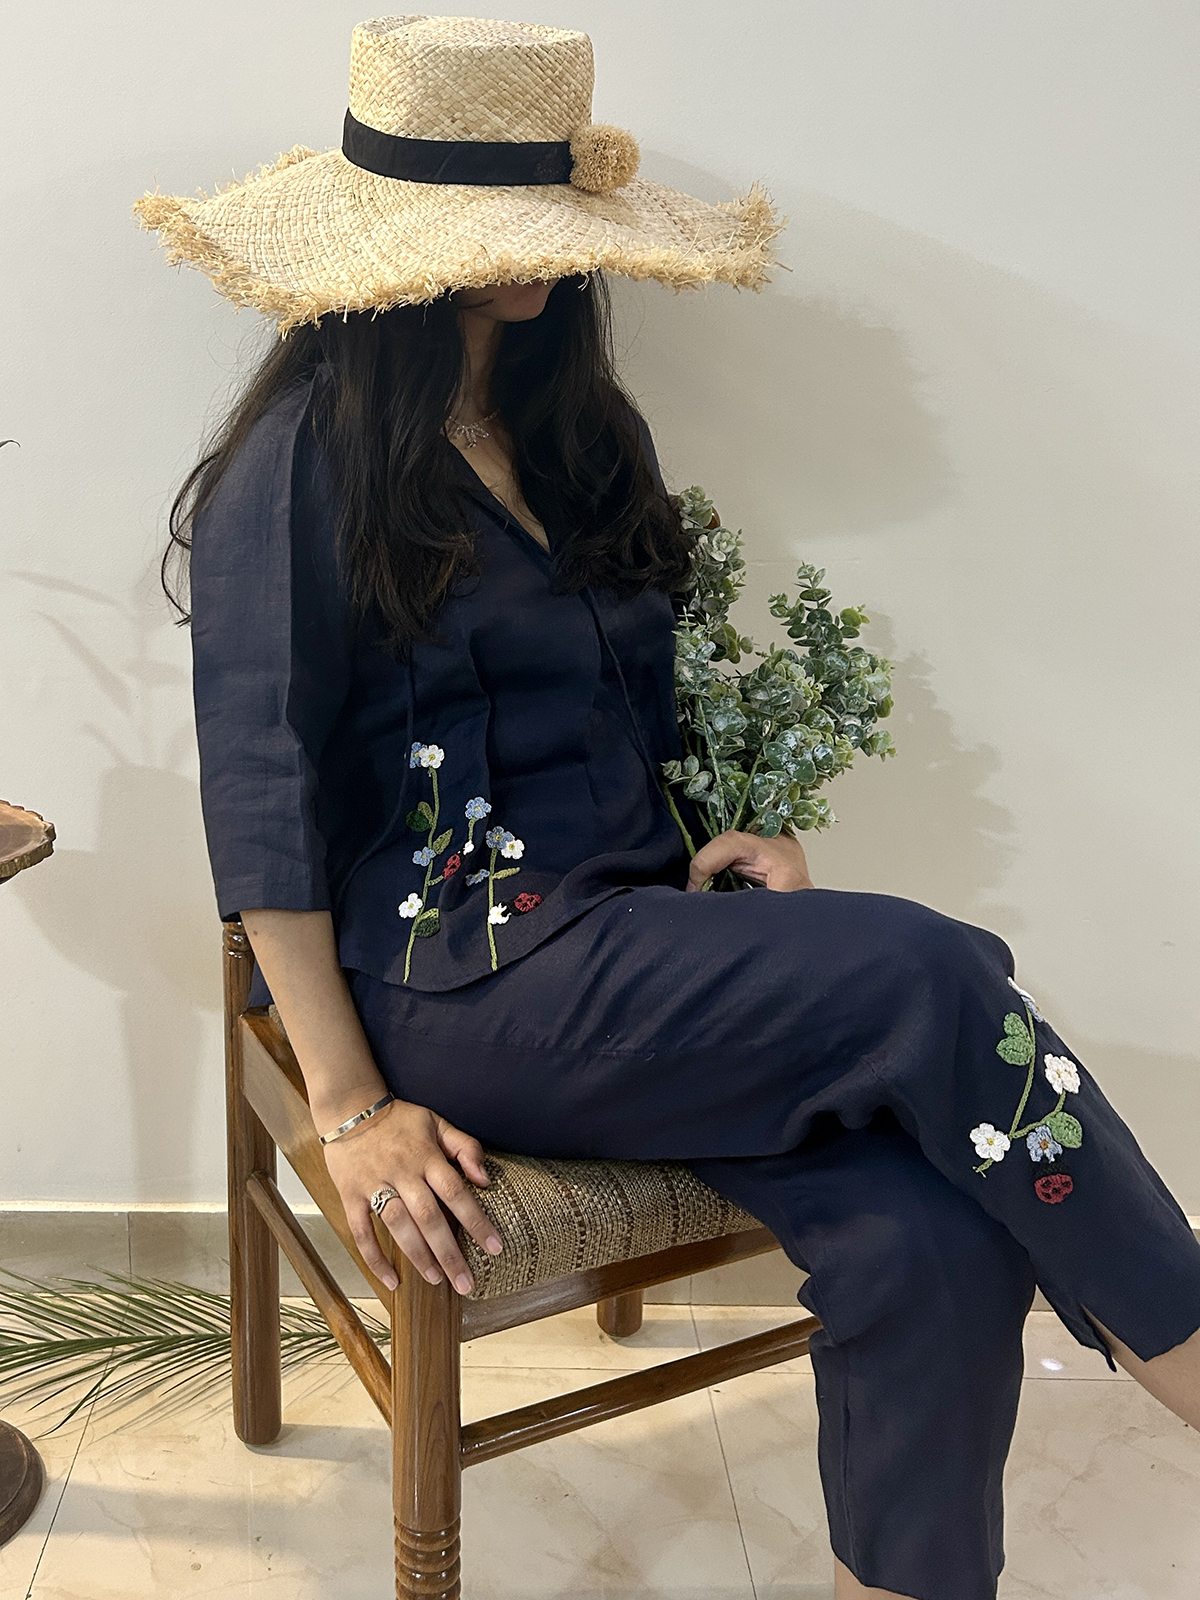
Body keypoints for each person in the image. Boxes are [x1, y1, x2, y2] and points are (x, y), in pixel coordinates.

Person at [134, 16, 1200, 1600]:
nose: (549, 259)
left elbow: (637, 697)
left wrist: (730, 832)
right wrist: (347, 1107)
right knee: (930, 974)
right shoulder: (297, 473)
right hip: (456, 980)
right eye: (507, 228)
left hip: (636, 935)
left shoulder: (577, 435)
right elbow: (260, 801)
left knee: (933, 1237)